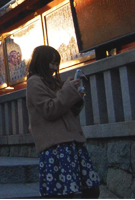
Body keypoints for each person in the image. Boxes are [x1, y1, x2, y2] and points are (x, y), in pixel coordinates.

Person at [26, 45, 100, 198]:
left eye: (56, 64)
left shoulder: (52, 82)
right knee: (64, 192)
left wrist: (75, 96)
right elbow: (49, 110)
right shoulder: (34, 82)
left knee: (90, 189)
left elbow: (66, 111)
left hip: (70, 143)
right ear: (42, 61)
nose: (54, 68)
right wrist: (67, 91)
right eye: (51, 63)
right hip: (56, 147)